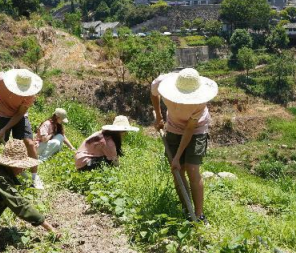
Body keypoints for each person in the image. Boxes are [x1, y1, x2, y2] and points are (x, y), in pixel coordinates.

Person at [151, 68, 218, 223]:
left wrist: (178, 156)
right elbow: (154, 93)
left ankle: (199, 215)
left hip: (196, 130)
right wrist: (159, 116)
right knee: (177, 171)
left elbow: (189, 129)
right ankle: (187, 211)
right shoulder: (161, 82)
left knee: (192, 169)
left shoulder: (200, 101)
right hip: (173, 127)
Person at [0, 68, 45, 189]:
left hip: (19, 116)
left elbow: (19, 113)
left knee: (29, 143)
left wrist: (5, 128)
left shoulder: (31, 93)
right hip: (1, 113)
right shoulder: (1, 79)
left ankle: (34, 177)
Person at [75, 115, 139, 171]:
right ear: (121, 132)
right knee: (108, 163)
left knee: (107, 160)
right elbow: (115, 162)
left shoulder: (104, 133)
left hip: (80, 160)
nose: (126, 134)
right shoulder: (109, 142)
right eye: (125, 132)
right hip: (85, 163)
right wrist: (120, 170)